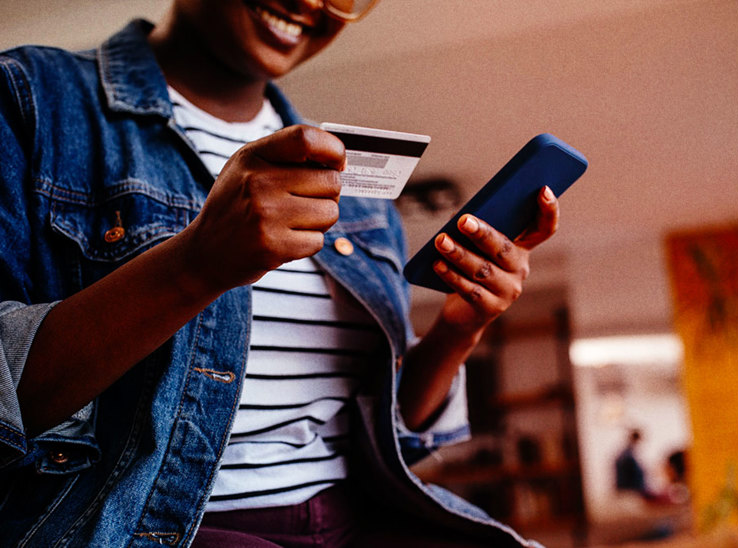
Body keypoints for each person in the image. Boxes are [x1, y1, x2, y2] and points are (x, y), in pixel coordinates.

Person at [0, 1, 559, 546]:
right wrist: (194, 265)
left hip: (353, 516)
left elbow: (395, 440)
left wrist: (458, 330)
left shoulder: (353, 183)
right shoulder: (30, 100)